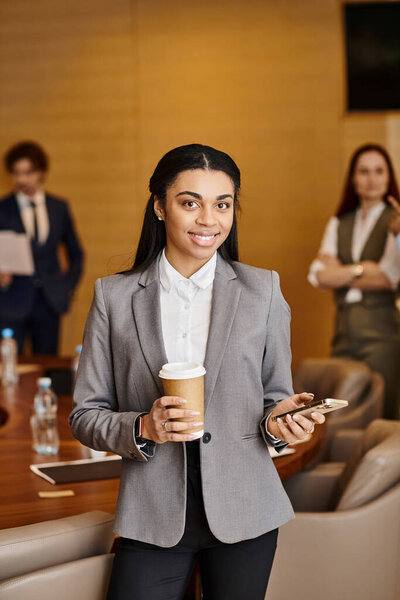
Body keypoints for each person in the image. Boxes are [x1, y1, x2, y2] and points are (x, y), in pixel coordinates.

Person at [70, 143, 325, 600]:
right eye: (191, 202)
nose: (209, 220)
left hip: (246, 509)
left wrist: (283, 423)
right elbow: (85, 415)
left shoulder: (263, 291)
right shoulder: (114, 297)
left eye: (222, 204)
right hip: (152, 514)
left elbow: (273, 403)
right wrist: (144, 427)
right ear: (159, 207)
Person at [308, 143, 400, 420]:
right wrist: (362, 269)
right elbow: (318, 275)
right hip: (344, 332)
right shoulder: (340, 222)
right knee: (341, 411)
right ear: (353, 178)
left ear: (389, 177)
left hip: (383, 334)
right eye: (364, 171)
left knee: (380, 412)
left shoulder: (394, 221)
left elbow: (388, 278)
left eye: (378, 171)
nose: (371, 179)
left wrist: (342, 272)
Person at [0, 141, 84, 354]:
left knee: (48, 364)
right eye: (16, 173)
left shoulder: (58, 207)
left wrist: (67, 288)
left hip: (49, 301)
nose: (21, 180)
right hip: (11, 300)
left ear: (41, 172)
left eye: (28, 172)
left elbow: (76, 254)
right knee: (11, 366)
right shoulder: (2, 208)